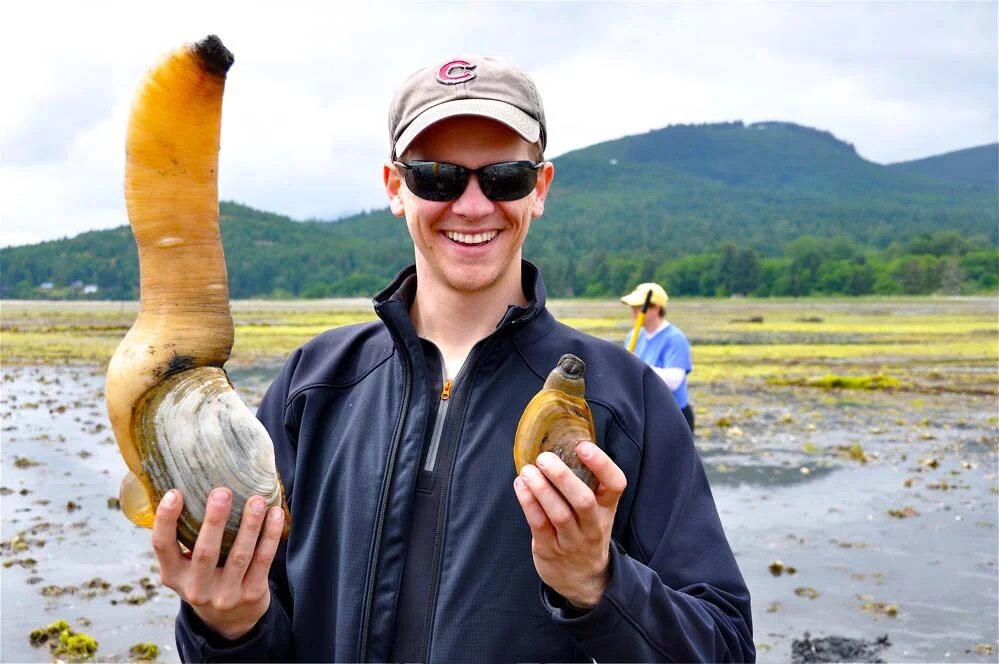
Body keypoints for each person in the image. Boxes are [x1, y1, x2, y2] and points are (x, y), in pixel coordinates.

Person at [154, 55, 753, 662]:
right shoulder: (314, 385)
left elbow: (726, 645)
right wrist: (228, 625)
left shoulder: (627, 399)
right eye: (437, 177)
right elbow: (258, 626)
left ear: (539, 189)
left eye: (504, 178)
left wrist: (598, 585)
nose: (471, 206)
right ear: (395, 187)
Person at [621, 282, 696, 432]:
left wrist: (637, 364)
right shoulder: (633, 336)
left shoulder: (674, 338)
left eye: (638, 307)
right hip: (645, 415)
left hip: (674, 415)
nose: (634, 312)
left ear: (655, 308)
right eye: (633, 308)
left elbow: (674, 381)